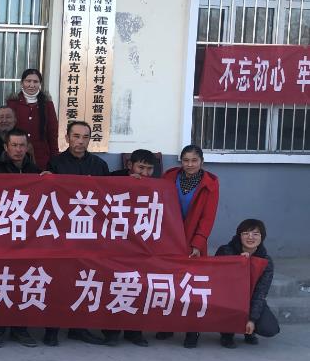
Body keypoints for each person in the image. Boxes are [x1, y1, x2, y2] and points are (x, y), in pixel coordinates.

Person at [42, 121, 108, 347]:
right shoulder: (56, 163)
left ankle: (78, 328)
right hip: (61, 231)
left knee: (84, 279)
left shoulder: (99, 165)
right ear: (67, 138)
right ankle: (52, 329)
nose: (80, 141)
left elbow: (108, 196)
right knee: (58, 280)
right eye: (76, 136)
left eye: (85, 137)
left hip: (88, 231)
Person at [156, 145, 220, 348]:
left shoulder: (210, 183)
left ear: (201, 161)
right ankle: (167, 325)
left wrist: (198, 242)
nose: (189, 164)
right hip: (169, 238)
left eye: (194, 160)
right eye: (185, 160)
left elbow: (208, 217)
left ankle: (193, 330)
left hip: (193, 241)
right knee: (170, 283)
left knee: (192, 286)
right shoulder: (170, 177)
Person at [98, 149, 159, 347]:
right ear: (129, 165)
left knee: (138, 286)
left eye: (149, 169)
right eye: (141, 167)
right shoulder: (113, 178)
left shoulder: (157, 186)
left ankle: (134, 332)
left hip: (141, 245)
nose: (145, 173)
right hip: (114, 244)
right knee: (114, 286)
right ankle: (111, 331)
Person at [0, 131, 41, 349]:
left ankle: (20, 328)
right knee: (0, 280)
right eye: (14, 145)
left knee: (23, 280)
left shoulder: (35, 171)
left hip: (27, 236)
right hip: (0, 235)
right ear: (6, 147)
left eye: (22, 145)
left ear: (27, 147)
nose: (18, 150)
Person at [215, 219, 279, 348]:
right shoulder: (226, 251)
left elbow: (260, 292)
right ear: (239, 236)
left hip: (250, 298)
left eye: (255, 234)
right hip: (227, 297)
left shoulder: (265, 261)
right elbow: (216, 278)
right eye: (246, 233)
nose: (250, 237)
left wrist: (252, 319)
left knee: (269, 328)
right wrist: (239, 263)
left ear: (262, 237)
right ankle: (226, 334)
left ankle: (249, 331)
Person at [7, 68, 58, 169]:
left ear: (40, 84)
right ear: (22, 83)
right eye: (28, 81)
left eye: (35, 82)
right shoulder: (13, 103)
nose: (31, 85)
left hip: (41, 156)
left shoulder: (47, 103)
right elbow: (7, 130)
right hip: (17, 155)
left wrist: (55, 157)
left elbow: (52, 132)